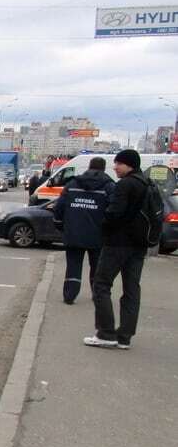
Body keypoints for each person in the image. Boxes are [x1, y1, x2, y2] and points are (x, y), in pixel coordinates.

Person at [85, 149, 150, 350]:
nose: (115, 167)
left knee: (101, 285)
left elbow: (113, 214)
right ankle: (125, 337)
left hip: (118, 243)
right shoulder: (147, 184)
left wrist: (104, 228)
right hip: (139, 246)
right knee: (132, 290)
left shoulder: (125, 185)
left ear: (129, 164)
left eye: (118, 163)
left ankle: (106, 333)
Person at [53, 157, 114, 304]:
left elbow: (59, 207)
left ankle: (69, 295)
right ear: (104, 169)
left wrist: (60, 225)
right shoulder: (109, 187)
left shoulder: (72, 184)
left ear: (89, 166)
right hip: (98, 235)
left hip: (74, 233)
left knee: (73, 266)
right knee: (97, 267)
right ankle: (98, 295)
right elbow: (113, 211)